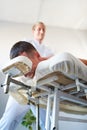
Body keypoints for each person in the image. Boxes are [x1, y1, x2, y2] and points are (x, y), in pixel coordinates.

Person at [0, 22, 53, 130]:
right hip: (22, 86)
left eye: (43, 30)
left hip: (41, 89)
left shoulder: (49, 50)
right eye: (39, 29)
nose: (41, 32)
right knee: (9, 119)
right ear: (33, 31)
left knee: (47, 123)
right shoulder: (25, 44)